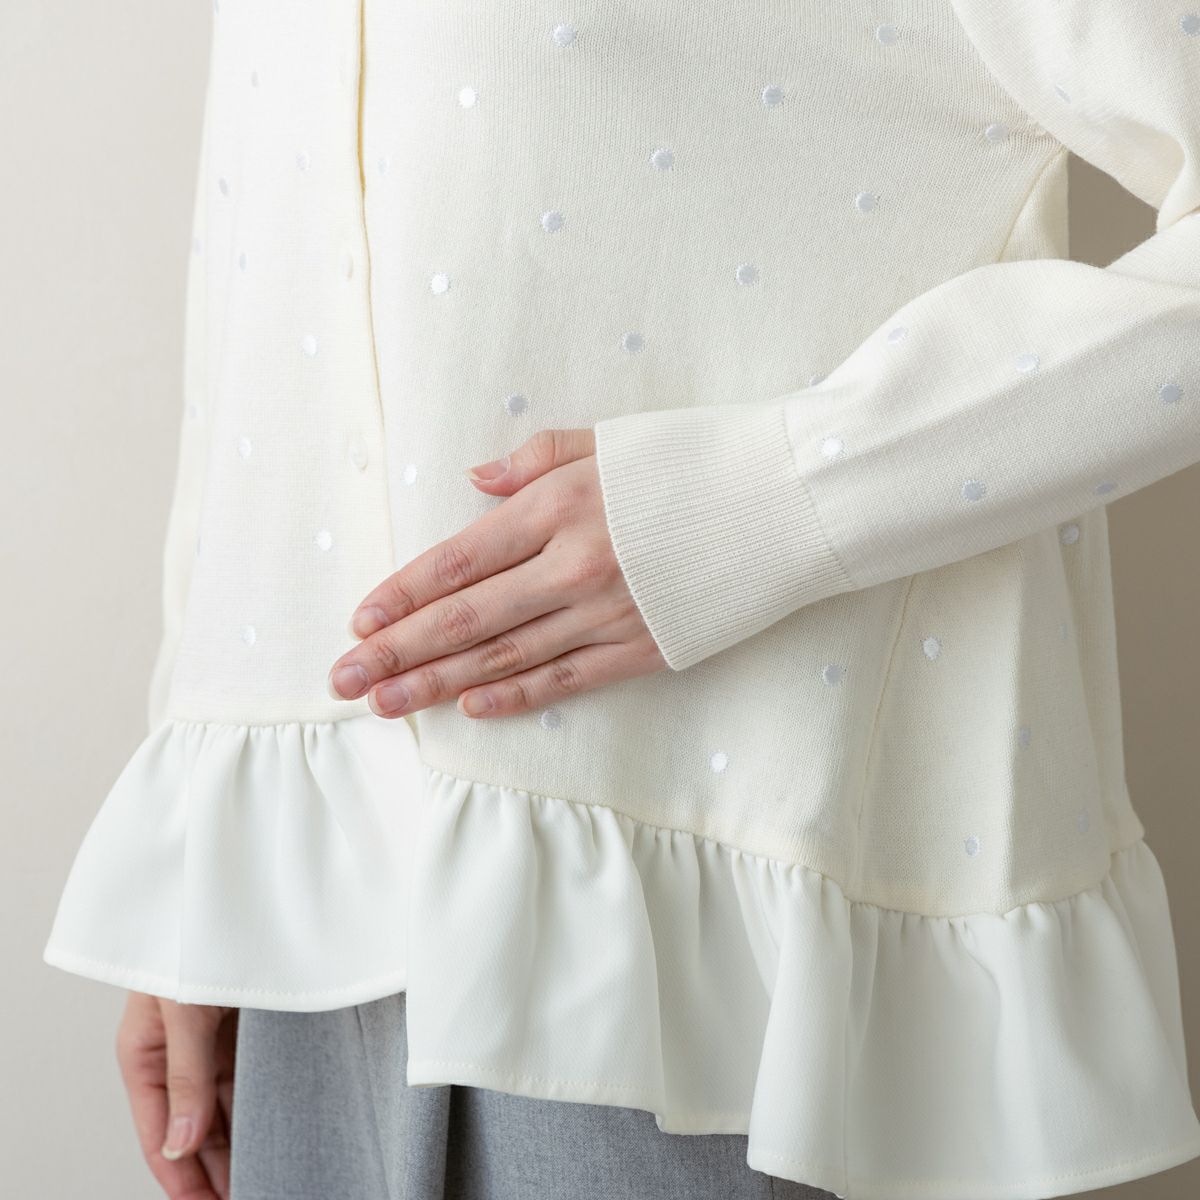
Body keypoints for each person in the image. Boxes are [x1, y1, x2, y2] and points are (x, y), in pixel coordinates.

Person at [44, 2, 1200, 1198]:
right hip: (314, 934)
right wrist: (201, 854)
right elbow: (259, 284)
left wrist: (760, 506)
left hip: (700, 950)